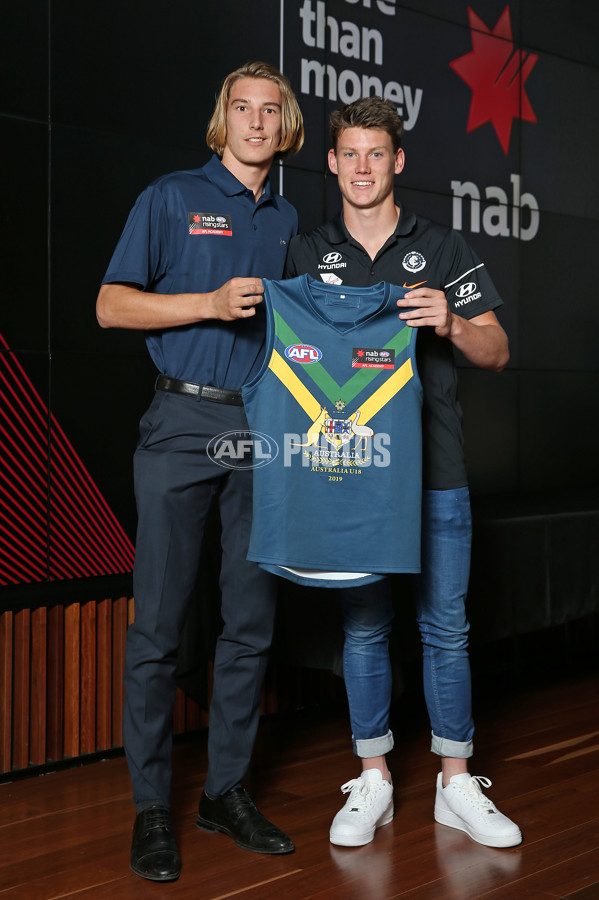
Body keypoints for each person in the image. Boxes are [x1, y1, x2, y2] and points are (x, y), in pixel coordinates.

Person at [284, 97, 522, 850]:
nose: (362, 167)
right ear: (332, 163)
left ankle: (456, 783)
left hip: (437, 471)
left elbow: (498, 350)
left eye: (375, 154)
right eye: (349, 154)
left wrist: (451, 321)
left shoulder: (443, 247)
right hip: (352, 474)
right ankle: (374, 779)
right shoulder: (305, 253)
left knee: (445, 627)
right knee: (364, 628)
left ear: (398, 162)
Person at [96, 61, 304, 882]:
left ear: (285, 126)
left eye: (270, 111)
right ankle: (153, 808)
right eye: (242, 108)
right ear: (223, 119)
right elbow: (111, 304)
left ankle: (225, 792)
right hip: (182, 422)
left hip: (260, 429)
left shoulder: (289, 215)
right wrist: (208, 303)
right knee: (159, 626)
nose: (256, 122)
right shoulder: (173, 195)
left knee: (250, 623)